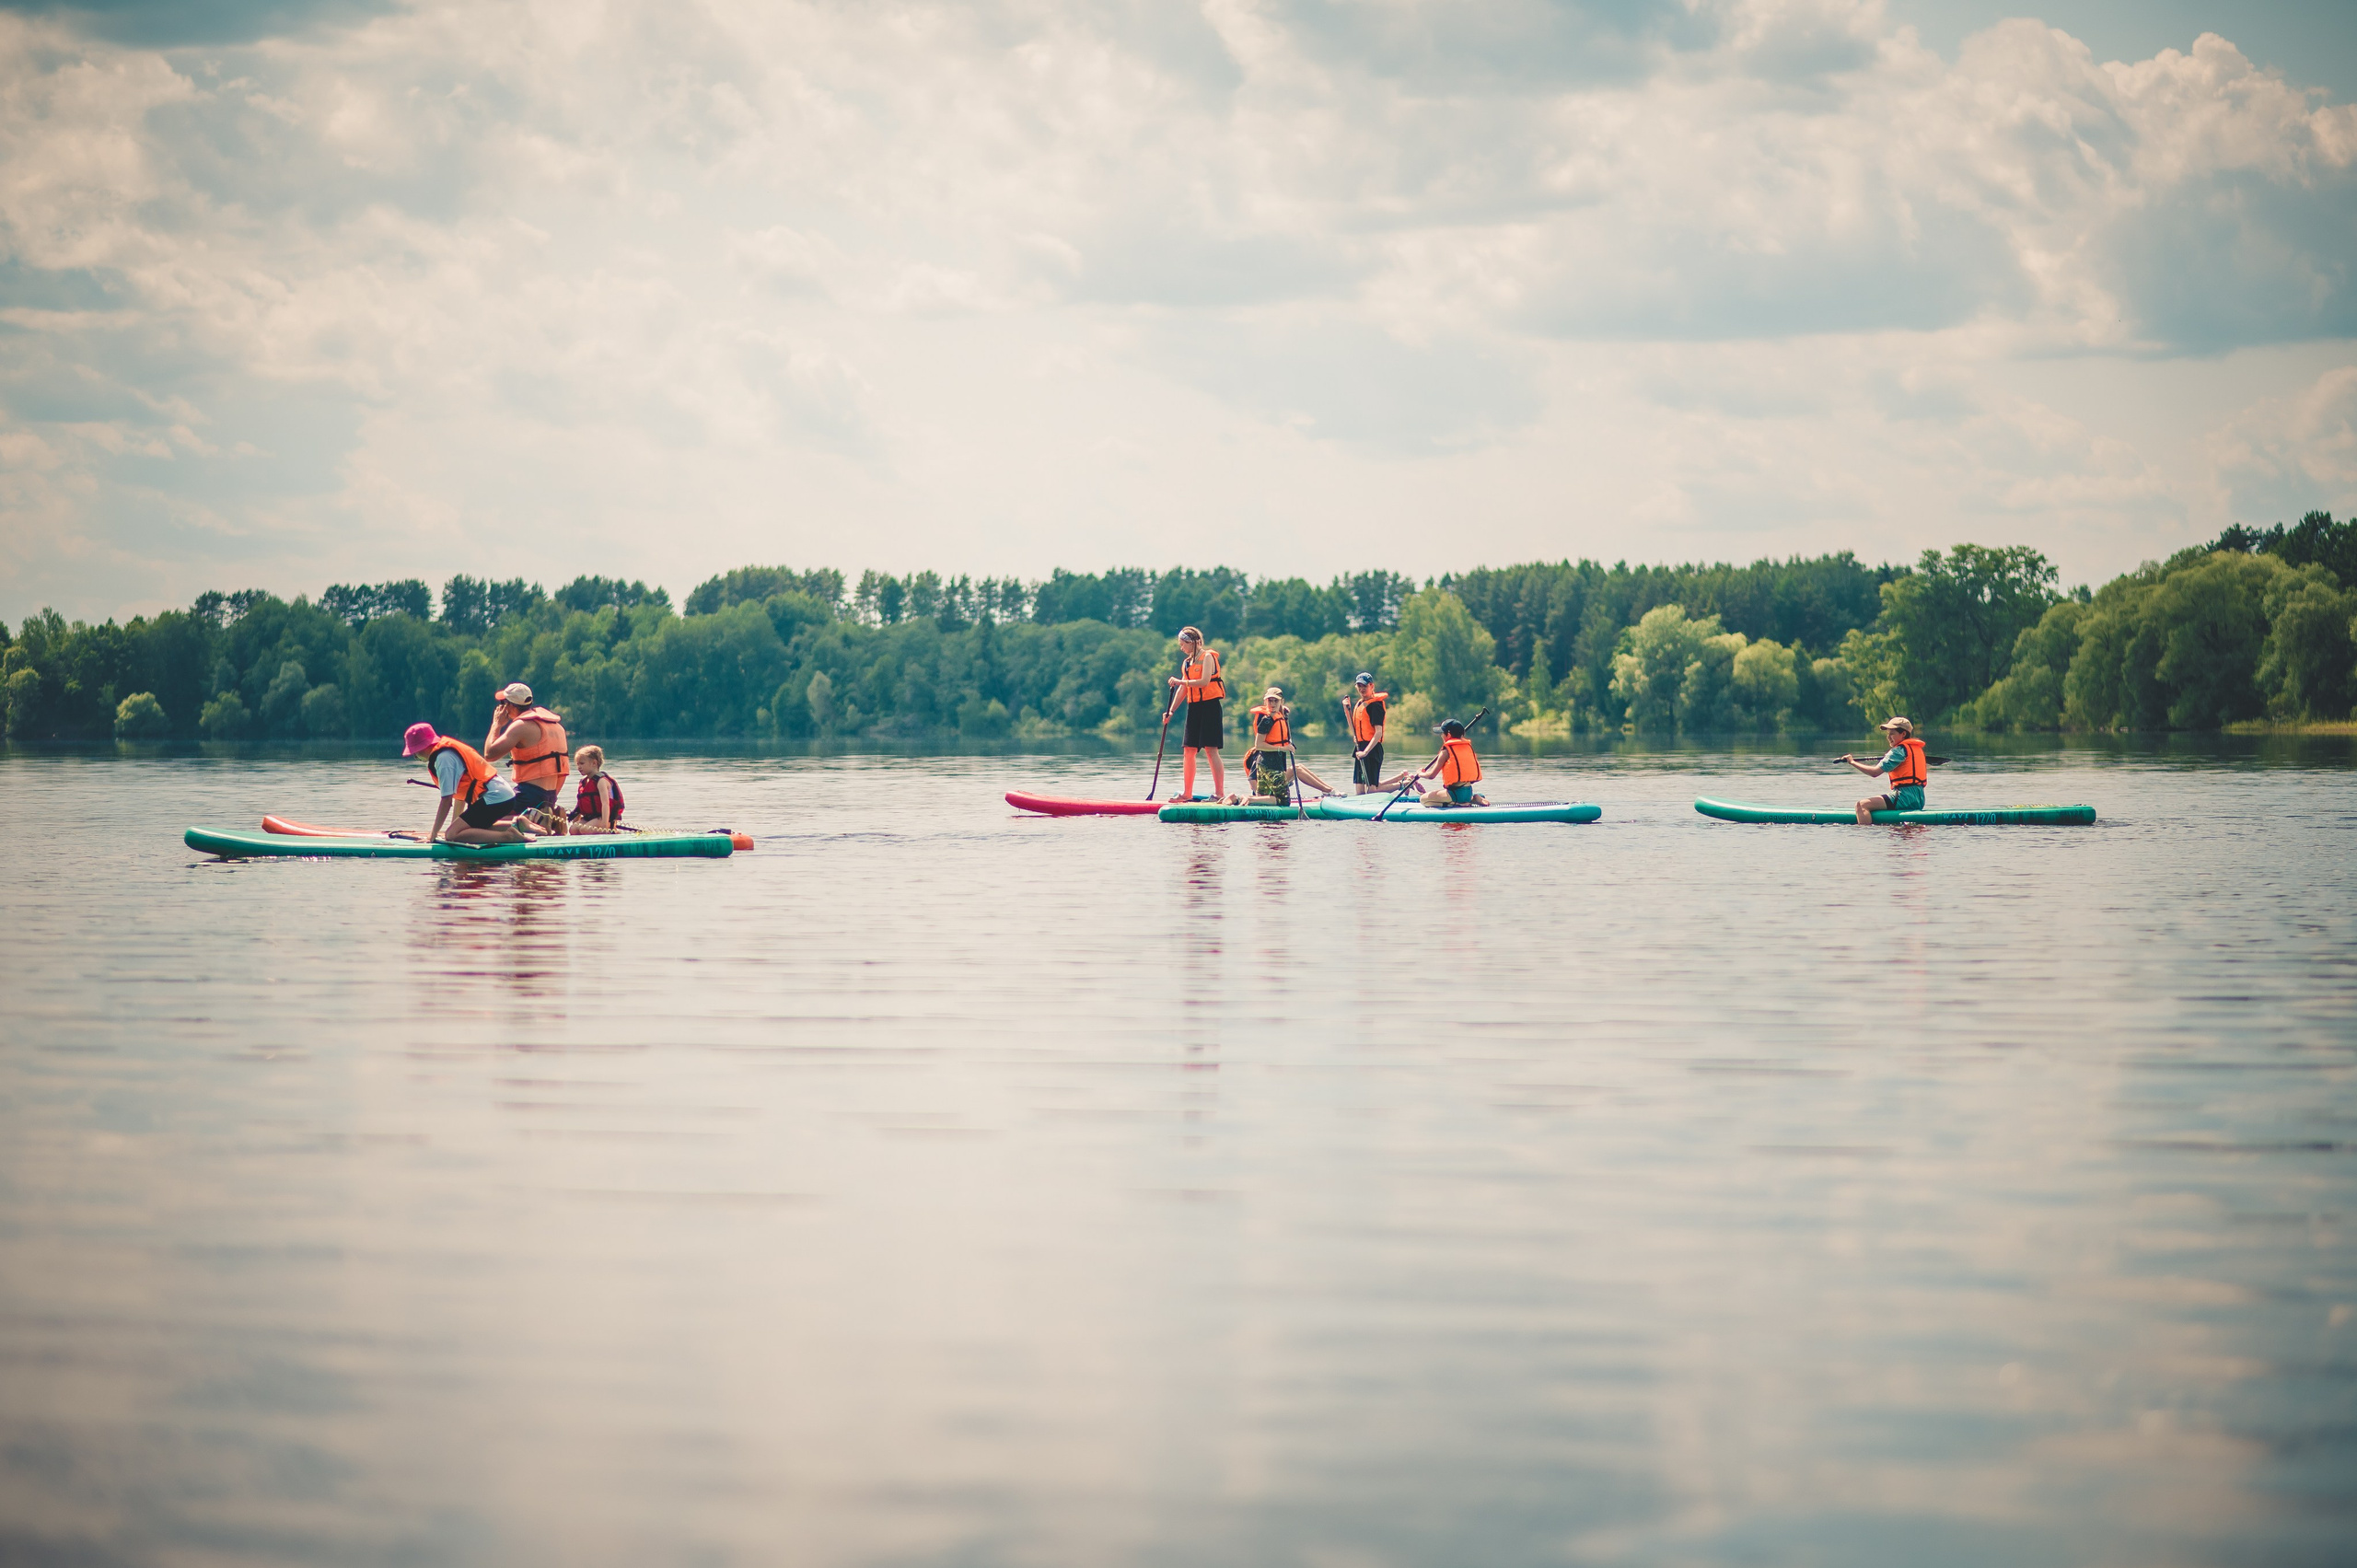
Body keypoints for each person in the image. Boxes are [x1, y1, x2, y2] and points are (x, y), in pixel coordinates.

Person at [404, 721, 538, 844]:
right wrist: (455, 827)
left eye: (415, 753)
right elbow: (460, 797)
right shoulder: (444, 754)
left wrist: (433, 836)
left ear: (421, 748)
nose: (416, 757)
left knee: (452, 835)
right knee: (465, 830)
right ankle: (517, 824)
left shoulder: (443, 760)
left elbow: (446, 800)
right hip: (503, 795)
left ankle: (509, 837)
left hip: (495, 797)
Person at [482, 681, 570, 823]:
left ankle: (532, 819)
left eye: (503, 702)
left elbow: (489, 754)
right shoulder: (557, 726)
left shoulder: (520, 726)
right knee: (496, 811)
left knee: (482, 818)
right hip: (551, 795)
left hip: (529, 794)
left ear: (510, 705)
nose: (501, 707)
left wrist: (496, 725)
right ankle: (548, 818)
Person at [1241, 686, 1339, 802]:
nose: (1272, 703)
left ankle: (1329, 790)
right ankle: (1329, 791)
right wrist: (1282, 748)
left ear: (1281, 702)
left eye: (1276, 700)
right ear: (1265, 701)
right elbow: (1258, 749)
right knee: (1294, 777)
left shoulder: (1278, 715)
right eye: (1270, 700)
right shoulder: (1265, 722)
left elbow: (1277, 712)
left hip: (1276, 771)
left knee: (1299, 767)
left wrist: (1283, 710)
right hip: (1266, 782)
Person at [1164, 627, 1226, 802]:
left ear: (1191, 642)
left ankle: (1219, 793)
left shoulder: (1208, 657)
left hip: (1210, 707)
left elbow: (1205, 681)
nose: (1181, 647)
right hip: (1194, 708)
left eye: (1182, 644)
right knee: (1189, 750)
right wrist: (1171, 711)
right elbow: (1184, 689)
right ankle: (1187, 793)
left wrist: (1180, 680)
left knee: (1211, 750)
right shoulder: (1187, 663)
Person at [1841, 716, 1929, 823]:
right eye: (1888, 734)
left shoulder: (1898, 751)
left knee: (1861, 805)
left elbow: (1874, 772)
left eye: (1892, 733)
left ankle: (1864, 836)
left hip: (1903, 798)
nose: (1888, 737)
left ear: (1903, 734)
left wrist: (1852, 762)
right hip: (1919, 798)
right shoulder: (1915, 748)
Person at [1393, 717, 1488, 808]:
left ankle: (1458, 804)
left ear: (1449, 735)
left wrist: (1420, 774)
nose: (1441, 735)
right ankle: (1472, 799)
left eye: (1442, 733)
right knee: (1444, 795)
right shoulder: (1467, 747)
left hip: (1454, 794)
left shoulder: (1446, 751)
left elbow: (1431, 775)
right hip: (1468, 791)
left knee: (1424, 800)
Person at [1343, 673, 1387, 794]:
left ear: (1371, 686)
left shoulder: (1375, 706)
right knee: (1359, 791)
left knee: (1372, 790)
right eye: (1359, 686)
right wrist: (1346, 710)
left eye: (1364, 686)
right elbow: (1354, 730)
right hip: (1360, 748)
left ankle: (1402, 784)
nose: (1362, 689)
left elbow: (1378, 733)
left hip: (1372, 749)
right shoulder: (1360, 704)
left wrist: (1366, 752)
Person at [569, 744, 624, 832]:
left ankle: (613, 831)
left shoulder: (601, 781)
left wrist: (604, 825)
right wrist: (575, 820)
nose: (579, 767)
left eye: (582, 763)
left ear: (594, 763)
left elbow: (605, 804)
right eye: (577, 764)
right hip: (588, 817)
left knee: (585, 830)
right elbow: (580, 805)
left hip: (602, 818)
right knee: (573, 829)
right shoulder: (583, 782)